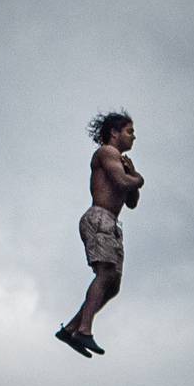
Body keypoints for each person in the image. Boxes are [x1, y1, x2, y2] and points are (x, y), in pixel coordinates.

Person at [56, 111, 143, 357]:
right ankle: (84, 330)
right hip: (99, 218)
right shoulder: (107, 152)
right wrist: (137, 178)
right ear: (114, 132)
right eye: (129, 131)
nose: (133, 136)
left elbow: (132, 201)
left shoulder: (121, 161)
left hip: (112, 224)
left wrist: (132, 175)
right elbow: (124, 183)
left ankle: (71, 330)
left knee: (113, 285)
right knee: (105, 274)